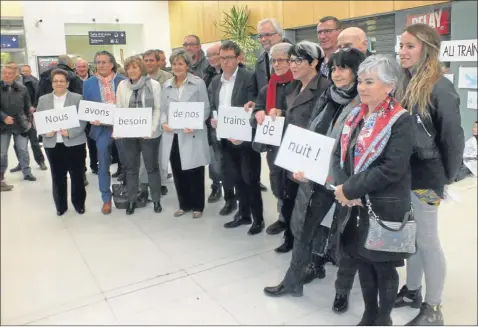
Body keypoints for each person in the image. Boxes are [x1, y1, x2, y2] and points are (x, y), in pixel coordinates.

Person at [263, 48, 364, 298]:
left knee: (346, 238)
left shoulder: (362, 102)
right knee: (305, 227)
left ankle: (342, 293)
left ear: (357, 72)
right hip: (317, 175)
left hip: (346, 181)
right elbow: (311, 130)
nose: (338, 74)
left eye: (344, 68)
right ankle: (292, 281)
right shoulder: (329, 94)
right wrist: (302, 163)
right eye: (335, 68)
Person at [333, 54, 414, 326]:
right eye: (360, 81)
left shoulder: (400, 120)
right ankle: (369, 313)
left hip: (383, 206)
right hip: (354, 205)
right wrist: (343, 185)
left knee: (383, 265)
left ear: (389, 86)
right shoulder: (356, 114)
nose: (362, 87)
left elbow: (392, 168)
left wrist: (350, 187)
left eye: (370, 82)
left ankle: (384, 317)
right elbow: (340, 153)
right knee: (362, 260)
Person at [394, 23, 464, 326]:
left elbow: (453, 138)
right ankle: (412, 290)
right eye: (401, 46)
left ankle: (433, 308)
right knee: (411, 236)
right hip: (405, 175)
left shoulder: (440, 86)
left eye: (410, 46)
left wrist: (444, 179)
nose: (403, 52)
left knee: (427, 238)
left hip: (426, 178)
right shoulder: (406, 82)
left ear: (427, 48)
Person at [209, 41, 263, 234]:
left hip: (245, 139)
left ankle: (258, 219)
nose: (225, 62)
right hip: (225, 138)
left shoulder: (249, 77)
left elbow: (255, 104)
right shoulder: (216, 81)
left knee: (250, 179)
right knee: (236, 178)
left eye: (229, 58)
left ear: (238, 58)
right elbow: (213, 106)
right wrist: (214, 120)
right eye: (222, 58)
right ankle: (243, 213)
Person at [247, 42, 295, 252]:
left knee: (293, 192)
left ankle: (293, 235)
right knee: (278, 188)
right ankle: (284, 221)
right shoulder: (268, 88)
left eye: (282, 60)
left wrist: (283, 114)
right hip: (274, 147)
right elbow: (256, 111)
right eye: (274, 60)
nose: (277, 64)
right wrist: (257, 114)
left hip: (294, 147)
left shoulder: (299, 86)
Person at [161, 50, 210, 219]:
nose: (177, 67)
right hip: (173, 134)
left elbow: (205, 108)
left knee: (195, 170)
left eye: (181, 64)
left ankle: (198, 206)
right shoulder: (166, 85)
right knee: (177, 169)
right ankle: (184, 204)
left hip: (192, 133)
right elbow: (162, 109)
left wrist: (195, 124)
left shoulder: (198, 83)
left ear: (187, 66)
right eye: (174, 64)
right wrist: (163, 122)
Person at [115, 56, 163, 215]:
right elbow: (119, 108)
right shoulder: (122, 85)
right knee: (131, 168)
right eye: (128, 68)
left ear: (141, 68)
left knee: (152, 167)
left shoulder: (154, 85)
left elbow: (157, 108)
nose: (131, 71)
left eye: (134, 67)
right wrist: (118, 129)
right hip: (129, 133)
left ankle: (156, 199)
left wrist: (152, 129)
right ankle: (131, 200)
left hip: (149, 134)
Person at [36, 69, 87, 216]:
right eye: (56, 81)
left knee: (77, 175)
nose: (59, 83)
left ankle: (79, 204)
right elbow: (38, 120)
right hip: (53, 144)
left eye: (62, 81)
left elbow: (82, 121)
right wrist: (46, 132)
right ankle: (60, 206)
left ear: (67, 83)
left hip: (74, 142)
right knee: (57, 176)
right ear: (52, 83)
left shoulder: (77, 98)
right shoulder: (43, 100)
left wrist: (70, 132)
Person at [83, 50, 126, 215]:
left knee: (127, 163)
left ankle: (128, 194)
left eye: (104, 62)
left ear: (112, 63)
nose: (101, 65)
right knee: (103, 165)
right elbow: (86, 106)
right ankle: (106, 199)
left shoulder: (123, 81)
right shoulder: (88, 83)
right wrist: (90, 117)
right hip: (101, 129)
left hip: (122, 127)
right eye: (98, 62)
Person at [140, 49, 173, 196]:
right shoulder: (139, 77)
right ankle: (144, 184)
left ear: (158, 61)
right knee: (144, 156)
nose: (148, 63)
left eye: (151, 60)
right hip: (143, 122)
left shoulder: (168, 77)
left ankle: (159, 183)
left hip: (163, 120)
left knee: (161, 155)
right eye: (145, 60)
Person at [6, 63, 48, 172]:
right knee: (17, 144)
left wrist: (34, 106)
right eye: (11, 69)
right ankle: (22, 163)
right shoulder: (6, 84)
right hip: (14, 119)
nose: (13, 71)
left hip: (28, 116)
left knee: (34, 141)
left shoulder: (31, 81)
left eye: (15, 68)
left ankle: (40, 161)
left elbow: (38, 95)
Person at [1, 65, 37, 191]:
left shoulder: (22, 88)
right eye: (4, 73)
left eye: (9, 73)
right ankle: (1, 176)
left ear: (15, 75)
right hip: (3, 126)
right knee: (2, 153)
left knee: (23, 149)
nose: (7, 75)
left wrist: (29, 120)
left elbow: (28, 106)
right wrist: (4, 117)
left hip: (20, 124)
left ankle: (27, 172)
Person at [75, 58, 97, 176]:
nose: (82, 69)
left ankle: (94, 165)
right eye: (79, 67)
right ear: (76, 68)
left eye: (84, 66)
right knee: (79, 145)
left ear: (87, 67)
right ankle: (81, 169)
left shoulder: (94, 80)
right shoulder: (71, 81)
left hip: (92, 115)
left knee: (93, 143)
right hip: (77, 116)